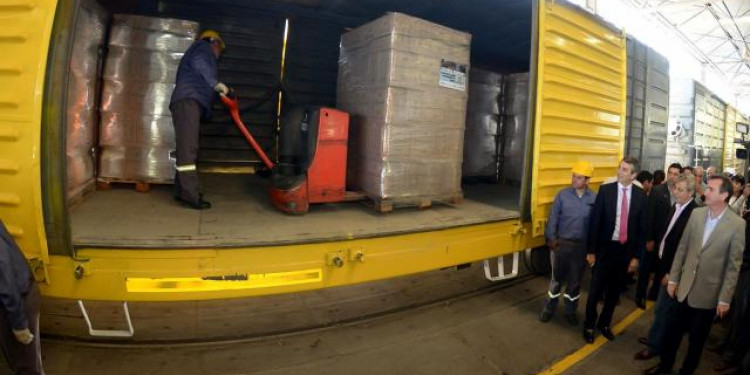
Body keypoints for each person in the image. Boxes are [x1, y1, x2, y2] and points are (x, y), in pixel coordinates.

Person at [644, 176, 745, 375]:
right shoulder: (697, 214)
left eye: (711, 190)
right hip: (683, 289)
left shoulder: (737, 225)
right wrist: (673, 279)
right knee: (672, 336)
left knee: (695, 343)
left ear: (724, 195)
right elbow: (682, 249)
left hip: (708, 296)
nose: (705, 192)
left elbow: (734, 266)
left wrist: (724, 299)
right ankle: (664, 368)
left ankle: (686, 371)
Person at [583, 157, 648, 344]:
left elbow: (641, 229)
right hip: (604, 250)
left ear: (634, 175)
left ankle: (604, 324)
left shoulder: (640, 195)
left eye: (625, 170)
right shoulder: (606, 191)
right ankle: (588, 325)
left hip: (624, 252)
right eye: (620, 168)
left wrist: (636, 257)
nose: (620, 172)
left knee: (613, 292)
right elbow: (595, 223)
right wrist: (591, 251)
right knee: (595, 291)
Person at [634, 174, 697, 361]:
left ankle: (656, 347)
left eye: (680, 189)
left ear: (691, 193)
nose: (675, 192)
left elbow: (689, 251)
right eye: (675, 188)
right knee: (660, 309)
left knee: (665, 310)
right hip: (664, 265)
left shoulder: (693, 214)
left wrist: (672, 275)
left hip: (673, 273)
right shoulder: (677, 206)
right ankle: (656, 337)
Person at [170, 30, 230, 210]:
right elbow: (200, 64)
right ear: (214, 42)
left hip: (188, 102)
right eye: (220, 48)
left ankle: (182, 191)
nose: (219, 54)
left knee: (186, 148)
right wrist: (216, 84)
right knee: (189, 149)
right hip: (188, 101)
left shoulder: (200, 51)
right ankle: (191, 196)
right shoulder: (203, 48)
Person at [540, 161, 596, 326]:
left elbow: (596, 225)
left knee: (575, 282)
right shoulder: (562, 195)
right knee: (556, 280)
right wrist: (551, 238)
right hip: (561, 245)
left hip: (580, 248)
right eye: (573, 176)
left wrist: (592, 249)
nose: (574, 180)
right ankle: (549, 309)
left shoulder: (594, 198)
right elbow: (553, 218)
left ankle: (570, 311)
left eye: (578, 177)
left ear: (587, 181)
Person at [0, 220, 43, 375]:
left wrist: (18, 323)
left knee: (26, 366)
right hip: (15, 294)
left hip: (17, 298)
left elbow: (4, 276)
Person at [636, 163, 682, 307]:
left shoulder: (681, 193)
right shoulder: (656, 191)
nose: (672, 176)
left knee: (662, 269)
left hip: (669, 241)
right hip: (654, 239)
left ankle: (654, 294)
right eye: (670, 173)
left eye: (675, 174)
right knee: (646, 269)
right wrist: (649, 239)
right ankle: (640, 296)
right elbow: (649, 216)